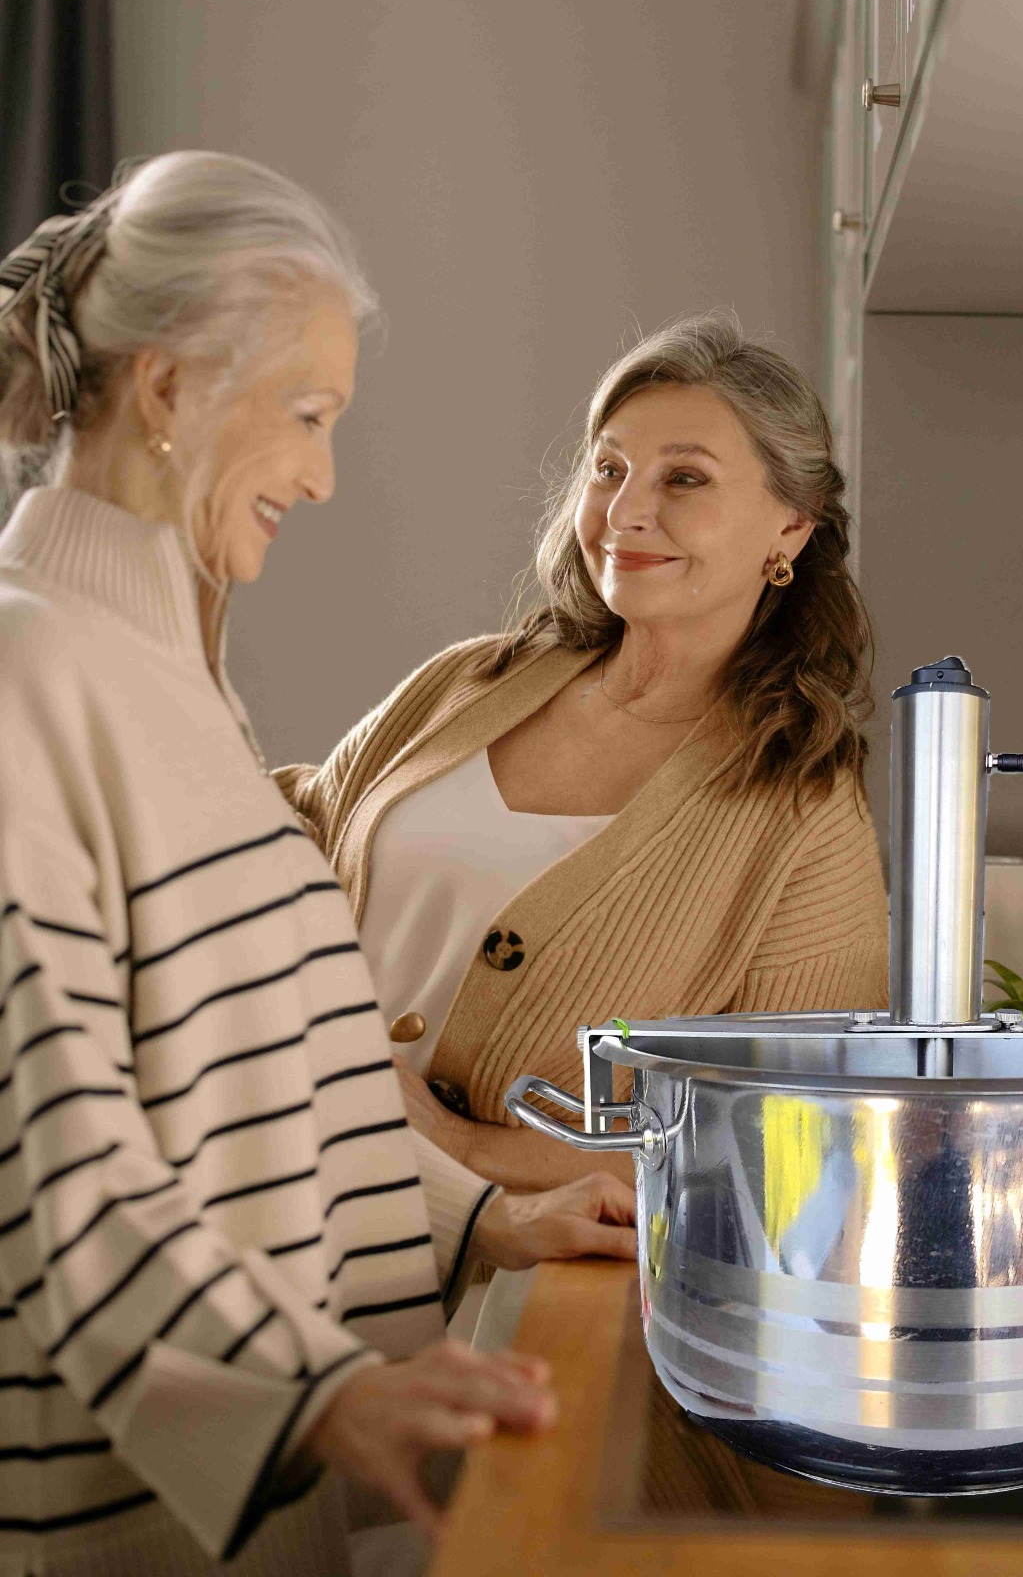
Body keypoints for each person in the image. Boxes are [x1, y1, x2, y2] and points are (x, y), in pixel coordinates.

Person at [0, 152, 633, 1577]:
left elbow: (269, 1087)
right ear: (169, 389)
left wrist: (489, 1221)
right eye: (306, 416)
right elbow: (45, 1142)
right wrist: (319, 1394)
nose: (323, 477)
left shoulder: (180, 685)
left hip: (255, 1513)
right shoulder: (25, 666)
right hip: (111, 1527)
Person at [279, 314, 889, 1195]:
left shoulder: (802, 814)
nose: (626, 512)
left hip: (501, 1268)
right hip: (273, 1206)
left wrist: (461, 1148)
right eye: (609, 469)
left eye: (685, 478)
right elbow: (296, 827)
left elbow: (790, 1144)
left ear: (791, 527)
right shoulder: (470, 682)